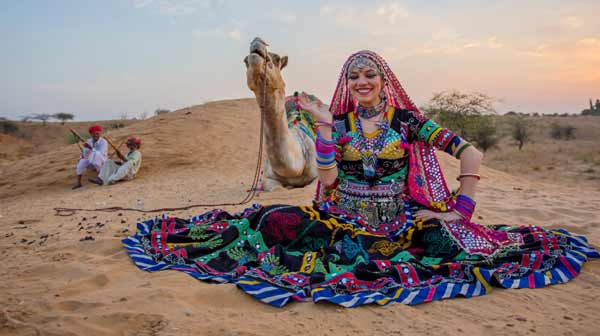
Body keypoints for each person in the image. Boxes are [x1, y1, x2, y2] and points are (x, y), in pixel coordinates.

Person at [123, 51, 598, 308]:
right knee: (270, 221)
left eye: (369, 75)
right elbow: (326, 180)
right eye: (354, 78)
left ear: (384, 80)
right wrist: (326, 124)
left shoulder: (409, 122)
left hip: (398, 223)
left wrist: (463, 208)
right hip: (343, 219)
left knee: (442, 240)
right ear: (347, 86)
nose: (362, 83)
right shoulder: (342, 124)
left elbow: (469, 151)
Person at [73, 125, 108, 189]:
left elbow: (101, 153)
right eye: (94, 134)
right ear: (91, 134)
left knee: (96, 154)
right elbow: (85, 152)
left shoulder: (103, 142)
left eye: (97, 133)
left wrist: (90, 148)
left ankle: (100, 178)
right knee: (82, 162)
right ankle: (78, 182)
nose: (95, 135)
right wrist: (81, 157)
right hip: (91, 160)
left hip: (102, 160)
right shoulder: (89, 141)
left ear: (100, 133)